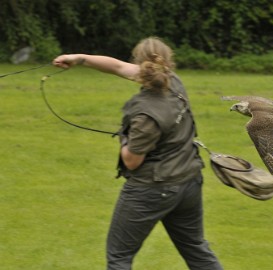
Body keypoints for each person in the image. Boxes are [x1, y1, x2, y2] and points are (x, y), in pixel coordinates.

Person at [53, 37, 223, 270]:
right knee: (196, 250)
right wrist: (79, 59)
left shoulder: (145, 115)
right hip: (189, 182)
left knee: (119, 258)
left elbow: (132, 161)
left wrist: (125, 138)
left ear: (140, 63)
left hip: (151, 189)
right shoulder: (173, 82)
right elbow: (117, 66)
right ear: (167, 61)